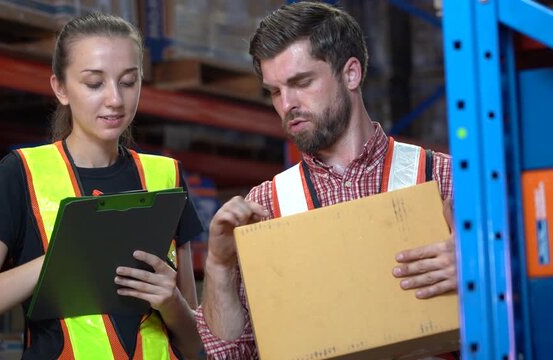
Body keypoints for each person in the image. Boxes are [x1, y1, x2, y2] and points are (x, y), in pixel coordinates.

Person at [195, 2, 456, 358]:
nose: (287, 104)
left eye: (301, 83)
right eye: (274, 91)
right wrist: (219, 265)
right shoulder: (265, 206)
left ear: (351, 74)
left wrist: (481, 271)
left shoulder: (446, 179)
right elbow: (230, 356)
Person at [0, 13, 204, 359]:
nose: (115, 99)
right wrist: (62, 258)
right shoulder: (20, 173)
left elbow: (197, 345)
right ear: (60, 88)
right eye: (94, 83)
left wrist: (172, 303)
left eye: (128, 82)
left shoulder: (167, 178)